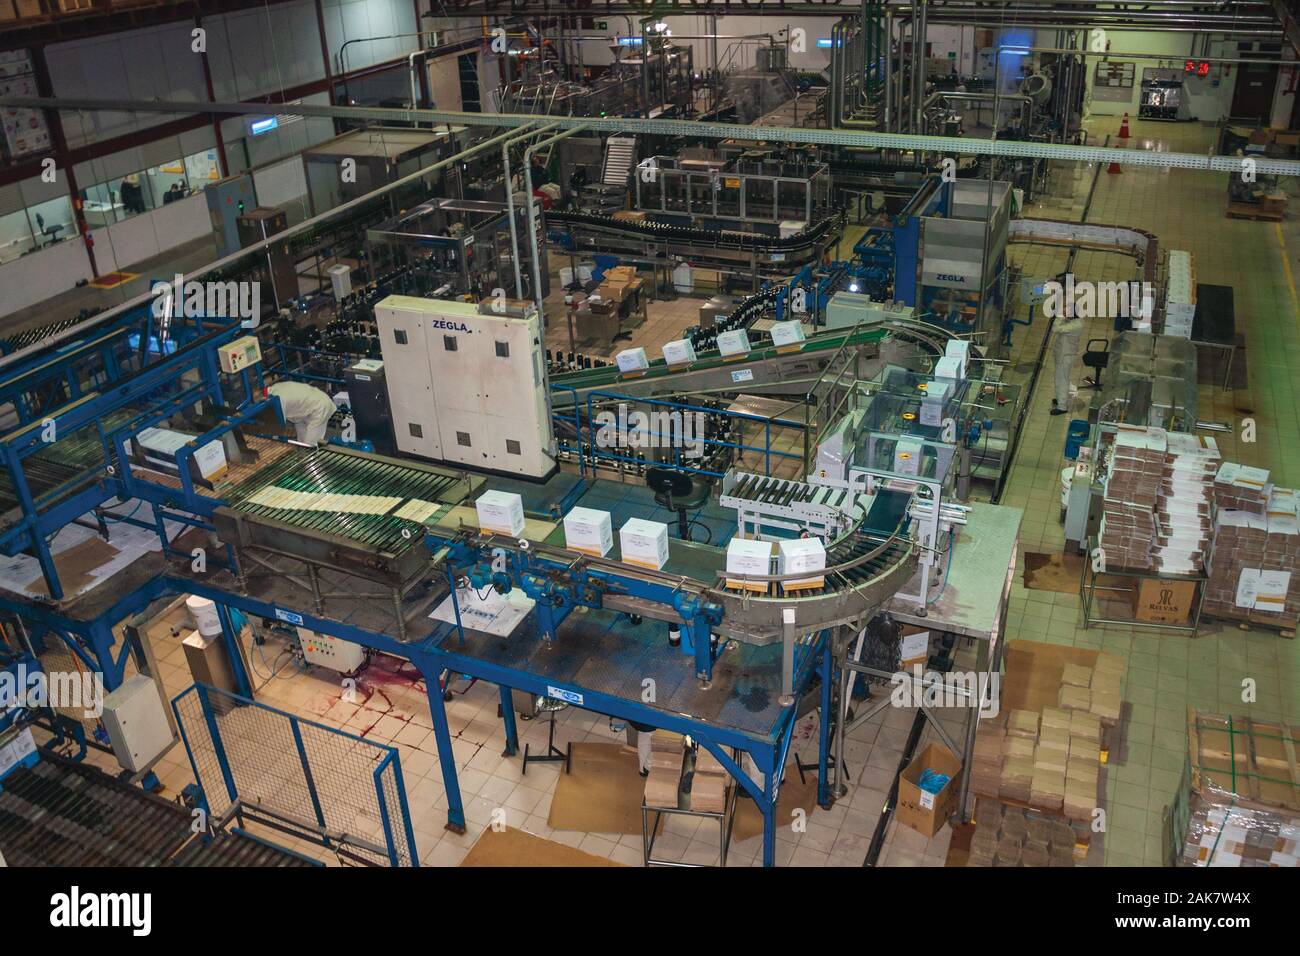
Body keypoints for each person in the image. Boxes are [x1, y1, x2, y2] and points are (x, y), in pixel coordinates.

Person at [267, 381, 338, 445]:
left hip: (320, 406)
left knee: (310, 444)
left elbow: (279, 425)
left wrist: (272, 441)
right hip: (303, 409)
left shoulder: (278, 400)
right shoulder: (274, 388)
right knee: (301, 442)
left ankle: (311, 458)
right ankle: (303, 455)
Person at [1050, 295, 1084, 416]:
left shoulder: (1076, 325)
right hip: (1062, 355)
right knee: (1060, 379)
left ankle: (1062, 406)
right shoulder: (1072, 321)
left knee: (1062, 380)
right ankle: (1060, 399)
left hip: (1066, 357)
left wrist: (1060, 316)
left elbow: (1055, 328)